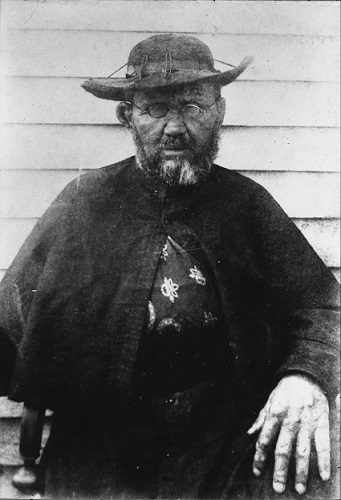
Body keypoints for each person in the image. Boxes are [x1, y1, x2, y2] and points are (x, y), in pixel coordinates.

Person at [0, 34, 339, 499]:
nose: (175, 127)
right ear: (127, 117)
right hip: (105, 455)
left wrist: (306, 377)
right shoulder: (82, 205)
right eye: (156, 110)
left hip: (224, 452)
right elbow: (11, 323)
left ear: (219, 111)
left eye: (192, 107)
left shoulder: (247, 206)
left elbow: (324, 307)